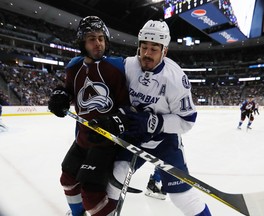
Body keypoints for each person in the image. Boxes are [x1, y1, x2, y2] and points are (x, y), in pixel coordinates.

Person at [90, 20, 212, 216]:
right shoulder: (128, 65)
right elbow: (93, 66)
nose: (146, 54)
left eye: (154, 49)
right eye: (143, 47)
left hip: (163, 141)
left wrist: (155, 123)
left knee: (183, 198)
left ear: (165, 51)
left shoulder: (175, 78)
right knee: (115, 179)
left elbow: (187, 121)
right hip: (133, 136)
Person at [48, 16, 131, 216]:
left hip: (105, 142)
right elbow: (69, 90)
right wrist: (61, 96)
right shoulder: (73, 67)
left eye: (101, 38)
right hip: (83, 138)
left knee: (91, 194)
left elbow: (129, 108)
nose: (98, 43)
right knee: (67, 178)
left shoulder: (116, 68)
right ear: (82, 43)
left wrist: (115, 122)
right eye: (92, 38)